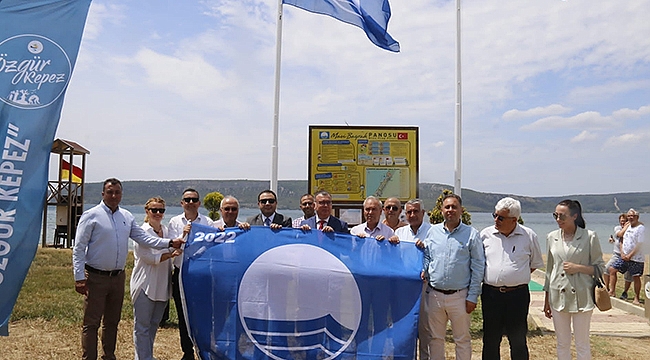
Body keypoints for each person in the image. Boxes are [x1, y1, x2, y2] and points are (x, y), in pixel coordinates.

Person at [72, 178, 184, 360]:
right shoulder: (91, 215)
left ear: (121, 194)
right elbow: (78, 247)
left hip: (118, 277)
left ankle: (109, 356)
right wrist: (78, 277)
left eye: (117, 192)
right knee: (91, 323)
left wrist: (169, 242)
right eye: (110, 192)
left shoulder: (126, 216)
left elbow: (145, 239)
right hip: (95, 276)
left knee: (112, 322)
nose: (114, 195)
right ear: (103, 194)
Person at [419, 193, 485, 360]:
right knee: (436, 339)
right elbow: (427, 256)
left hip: (460, 296)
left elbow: (478, 267)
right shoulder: (433, 232)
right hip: (435, 296)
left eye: (454, 207)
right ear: (441, 210)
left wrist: (472, 297)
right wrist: (424, 269)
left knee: (462, 339)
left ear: (461, 210)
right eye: (447, 207)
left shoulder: (471, 234)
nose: (450, 210)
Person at [480, 197, 544, 360]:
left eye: (501, 217)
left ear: (514, 219)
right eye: (494, 215)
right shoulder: (485, 235)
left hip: (517, 296)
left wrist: (514, 276)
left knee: (518, 340)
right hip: (491, 295)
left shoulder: (528, 235)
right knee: (490, 339)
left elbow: (534, 263)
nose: (496, 220)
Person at [543, 199, 605, 360]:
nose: (558, 220)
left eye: (562, 216)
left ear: (574, 216)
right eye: (555, 215)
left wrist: (579, 268)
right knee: (562, 343)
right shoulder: (551, 237)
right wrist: (547, 299)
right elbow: (550, 270)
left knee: (582, 343)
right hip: (558, 296)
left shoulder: (589, 237)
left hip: (582, 296)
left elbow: (600, 268)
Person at [131, 197, 181, 360]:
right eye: (154, 210)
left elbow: (178, 242)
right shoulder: (143, 231)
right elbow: (149, 257)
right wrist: (170, 253)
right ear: (147, 211)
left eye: (161, 210)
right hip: (144, 284)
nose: (158, 213)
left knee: (153, 325)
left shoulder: (166, 231)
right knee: (142, 327)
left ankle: (146, 355)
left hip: (162, 285)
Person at [167, 188, 214, 360]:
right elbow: (172, 246)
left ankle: (204, 350)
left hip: (201, 274)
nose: (191, 202)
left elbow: (212, 246)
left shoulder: (207, 222)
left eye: (194, 199)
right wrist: (184, 233)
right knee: (183, 315)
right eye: (187, 199)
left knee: (203, 313)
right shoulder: (174, 222)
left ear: (199, 203)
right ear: (182, 203)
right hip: (181, 273)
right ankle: (187, 352)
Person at [609, 208, 646, 305]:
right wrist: (622, 253)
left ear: (637, 217)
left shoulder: (641, 228)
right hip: (624, 257)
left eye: (632, 216)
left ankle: (636, 298)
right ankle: (612, 291)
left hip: (636, 258)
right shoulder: (627, 226)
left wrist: (630, 255)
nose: (630, 218)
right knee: (612, 269)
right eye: (629, 216)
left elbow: (640, 244)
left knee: (636, 277)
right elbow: (621, 239)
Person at [603, 213, 632, 296]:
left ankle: (625, 292)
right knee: (607, 269)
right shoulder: (617, 228)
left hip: (628, 255)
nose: (622, 223)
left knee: (628, 276)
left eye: (624, 221)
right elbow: (620, 235)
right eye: (621, 221)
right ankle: (608, 288)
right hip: (617, 254)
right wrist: (613, 241)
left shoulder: (632, 229)